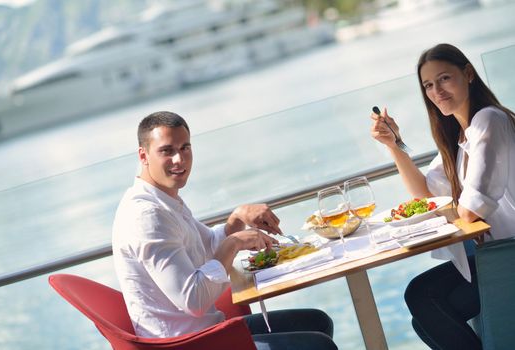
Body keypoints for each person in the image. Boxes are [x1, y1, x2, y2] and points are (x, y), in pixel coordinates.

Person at [112, 111, 338, 349]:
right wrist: (234, 243)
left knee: (316, 322)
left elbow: (208, 245)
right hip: (189, 344)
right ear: (143, 155)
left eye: (185, 148)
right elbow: (194, 300)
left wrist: (237, 217)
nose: (179, 159)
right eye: (167, 151)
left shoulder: (163, 201)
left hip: (210, 331)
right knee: (317, 345)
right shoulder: (147, 216)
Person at [370, 43, 515, 349]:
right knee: (422, 309)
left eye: (444, 78)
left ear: (469, 74)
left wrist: (452, 212)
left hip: (507, 256)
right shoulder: (461, 137)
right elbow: (424, 194)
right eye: (428, 85)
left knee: (424, 299)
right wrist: (394, 146)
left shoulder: (490, 121)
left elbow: (471, 210)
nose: (437, 91)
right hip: (493, 255)